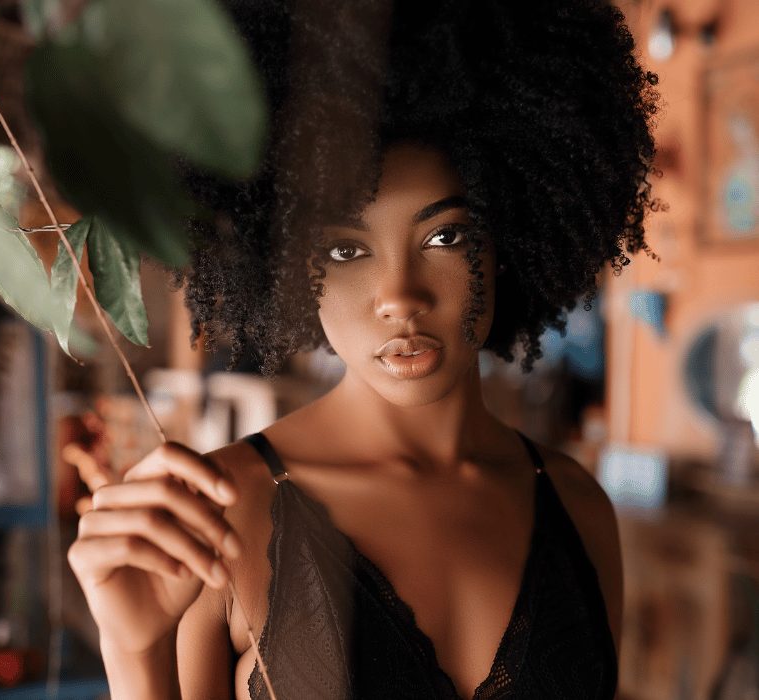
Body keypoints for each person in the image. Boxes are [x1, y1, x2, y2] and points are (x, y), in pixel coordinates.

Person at [66, 1, 663, 698]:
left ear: (510, 241)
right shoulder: (225, 516)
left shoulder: (579, 508)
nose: (399, 295)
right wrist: (132, 648)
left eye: (447, 238)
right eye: (345, 250)